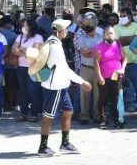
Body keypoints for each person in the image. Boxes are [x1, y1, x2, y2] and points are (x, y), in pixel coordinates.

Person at [30, 19, 92, 156]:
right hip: (55, 86)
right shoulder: (55, 47)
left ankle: (65, 143)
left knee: (68, 111)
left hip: (60, 85)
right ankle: (43, 146)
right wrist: (82, 81)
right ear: (61, 31)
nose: (67, 31)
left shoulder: (51, 41)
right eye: (66, 29)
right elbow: (65, 69)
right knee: (48, 116)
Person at [93, 26, 127, 128]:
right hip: (104, 76)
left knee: (116, 98)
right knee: (103, 98)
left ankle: (117, 120)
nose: (110, 35)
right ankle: (102, 120)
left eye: (111, 33)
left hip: (117, 76)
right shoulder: (99, 47)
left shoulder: (118, 45)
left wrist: (123, 69)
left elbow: (125, 58)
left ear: (115, 34)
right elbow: (96, 63)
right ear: (104, 35)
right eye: (108, 33)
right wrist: (99, 76)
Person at [12, 18, 44, 122]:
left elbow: (35, 52)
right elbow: (13, 49)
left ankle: (34, 113)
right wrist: (25, 53)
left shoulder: (38, 37)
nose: (23, 27)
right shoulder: (20, 36)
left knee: (33, 90)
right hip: (21, 67)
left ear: (30, 26)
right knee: (23, 91)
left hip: (33, 67)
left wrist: (21, 49)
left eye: (25, 25)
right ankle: (23, 113)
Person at [75, 11, 103, 124]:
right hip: (85, 68)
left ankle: (97, 115)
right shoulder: (81, 36)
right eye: (85, 23)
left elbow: (103, 53)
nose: (86, 25)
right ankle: (84, 116)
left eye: (89, 23)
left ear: (95, 23)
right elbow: (84, 52)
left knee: (98, 94)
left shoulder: (102, 36)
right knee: (84, 93)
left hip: (99, 69)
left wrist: (92, 50)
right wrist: (96, 50)